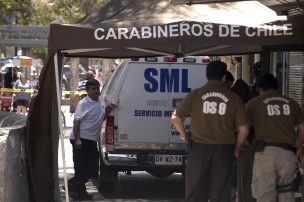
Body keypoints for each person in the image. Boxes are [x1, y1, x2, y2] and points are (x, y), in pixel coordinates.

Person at [171, 60, 249, 202]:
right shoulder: (234, 98)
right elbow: (244, 129)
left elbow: (176, 118)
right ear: (224, 77)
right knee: (220, 193)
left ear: (207, 76)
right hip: (223, 151)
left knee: (195, 192)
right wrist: (236, 148)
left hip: (199, 149)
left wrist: (185, 136)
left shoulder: (196, 95)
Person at [246, 73, 304, 202]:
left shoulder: (254, 103)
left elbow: (244, 129)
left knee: (265, 195)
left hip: (265, 154)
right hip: (288, 154)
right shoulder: (292, 103)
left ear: (260, 89)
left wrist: (246, 144)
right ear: (277, 88)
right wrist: (297, 148)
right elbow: (303, 130)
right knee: (287, 195)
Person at [67, 79, 116, 200]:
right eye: (93, 89)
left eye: (97, 88)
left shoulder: (101, 100)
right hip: (80, 139)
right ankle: (79, 193)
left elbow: (101, 117)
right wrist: (78, 139)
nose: (96, 91)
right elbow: (76, 122)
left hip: (92, 140)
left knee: (93, 168)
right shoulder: (84, 103)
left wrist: (109, 109)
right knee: (80, 167)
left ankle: (73, 185)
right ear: (87, 91)